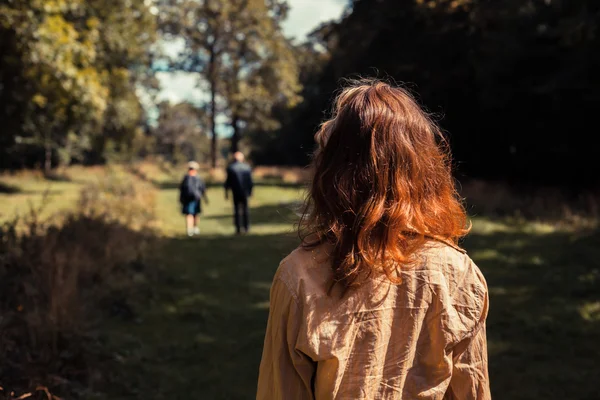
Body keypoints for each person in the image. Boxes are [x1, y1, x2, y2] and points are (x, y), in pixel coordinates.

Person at [257, 80, 491, 400]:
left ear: (333, 174)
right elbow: (473, 391)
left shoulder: (297, 275)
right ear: (422, 168)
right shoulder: (457, 272)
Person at [224, 151, 253, 234]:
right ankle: (246, 227)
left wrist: (226, 192)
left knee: (236, 210)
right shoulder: (247, 167)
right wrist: (250, 191)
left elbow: (228, 182)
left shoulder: (231, 168)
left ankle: (238, 228)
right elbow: (250, 181)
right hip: (245, 192)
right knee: (245, 210)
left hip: (235, 192)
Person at [179, 161, 208, 236]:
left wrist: (180, 199)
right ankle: (195, 228)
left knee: (189, 214)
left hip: (187, 199)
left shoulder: (186, 177)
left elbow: (182, 189)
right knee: (195, 213)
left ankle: (189, 229)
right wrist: (205, 198)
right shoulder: (198, 177)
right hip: (196, 198)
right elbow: (202, 188)